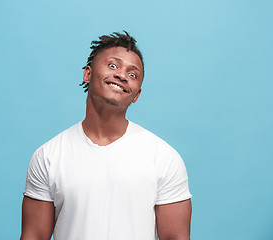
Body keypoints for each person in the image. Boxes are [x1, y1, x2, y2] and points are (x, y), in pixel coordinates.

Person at [21, 31, 192, 240]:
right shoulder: (48, 156)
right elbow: (34, 236)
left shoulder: (164, 157)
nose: (122, 75)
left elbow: (176, 237)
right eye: (113, 65)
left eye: (132, 74)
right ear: (87, 74)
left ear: (137, 94)